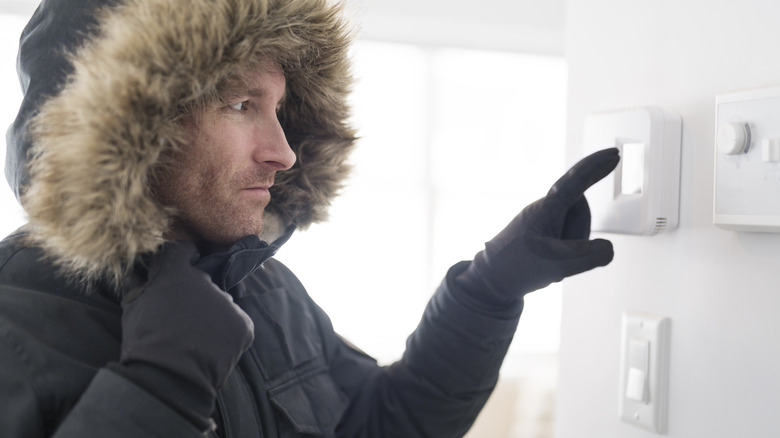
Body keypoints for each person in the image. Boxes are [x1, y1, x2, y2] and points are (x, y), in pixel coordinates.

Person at [0, 0, 620, 436]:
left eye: (280, 108)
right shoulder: (17, 317)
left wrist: (487, 291)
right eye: (242, 103)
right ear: (125, 124)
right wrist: (162, 385)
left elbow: (385, 424)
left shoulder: (263, 289)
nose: (284, 150)